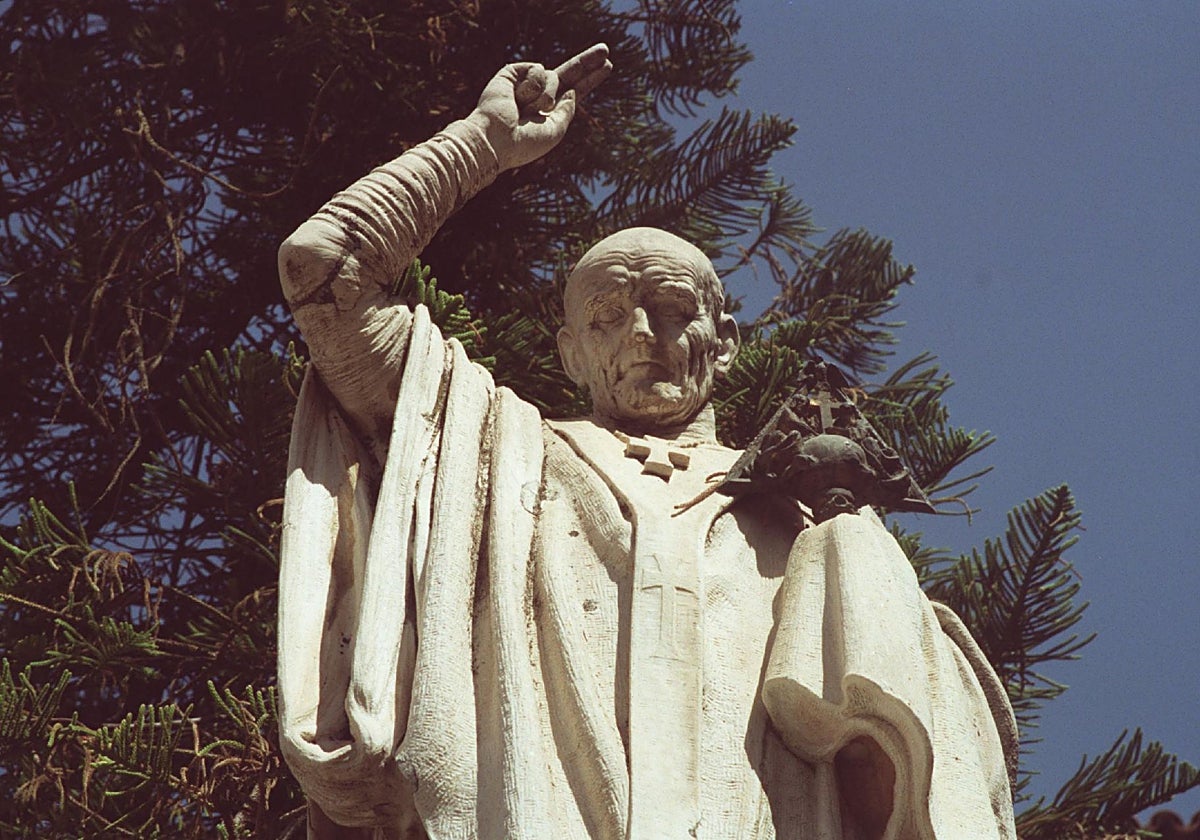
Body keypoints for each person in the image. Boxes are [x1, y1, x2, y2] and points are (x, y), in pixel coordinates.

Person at [276, 44, 1017, 839]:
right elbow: (323, 271)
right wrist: (483, 142)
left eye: (670, 306)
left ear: (724, 342)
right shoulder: (489, 447)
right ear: (569, 354)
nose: (641, 332)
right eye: (607, 313)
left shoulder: (806, 516)